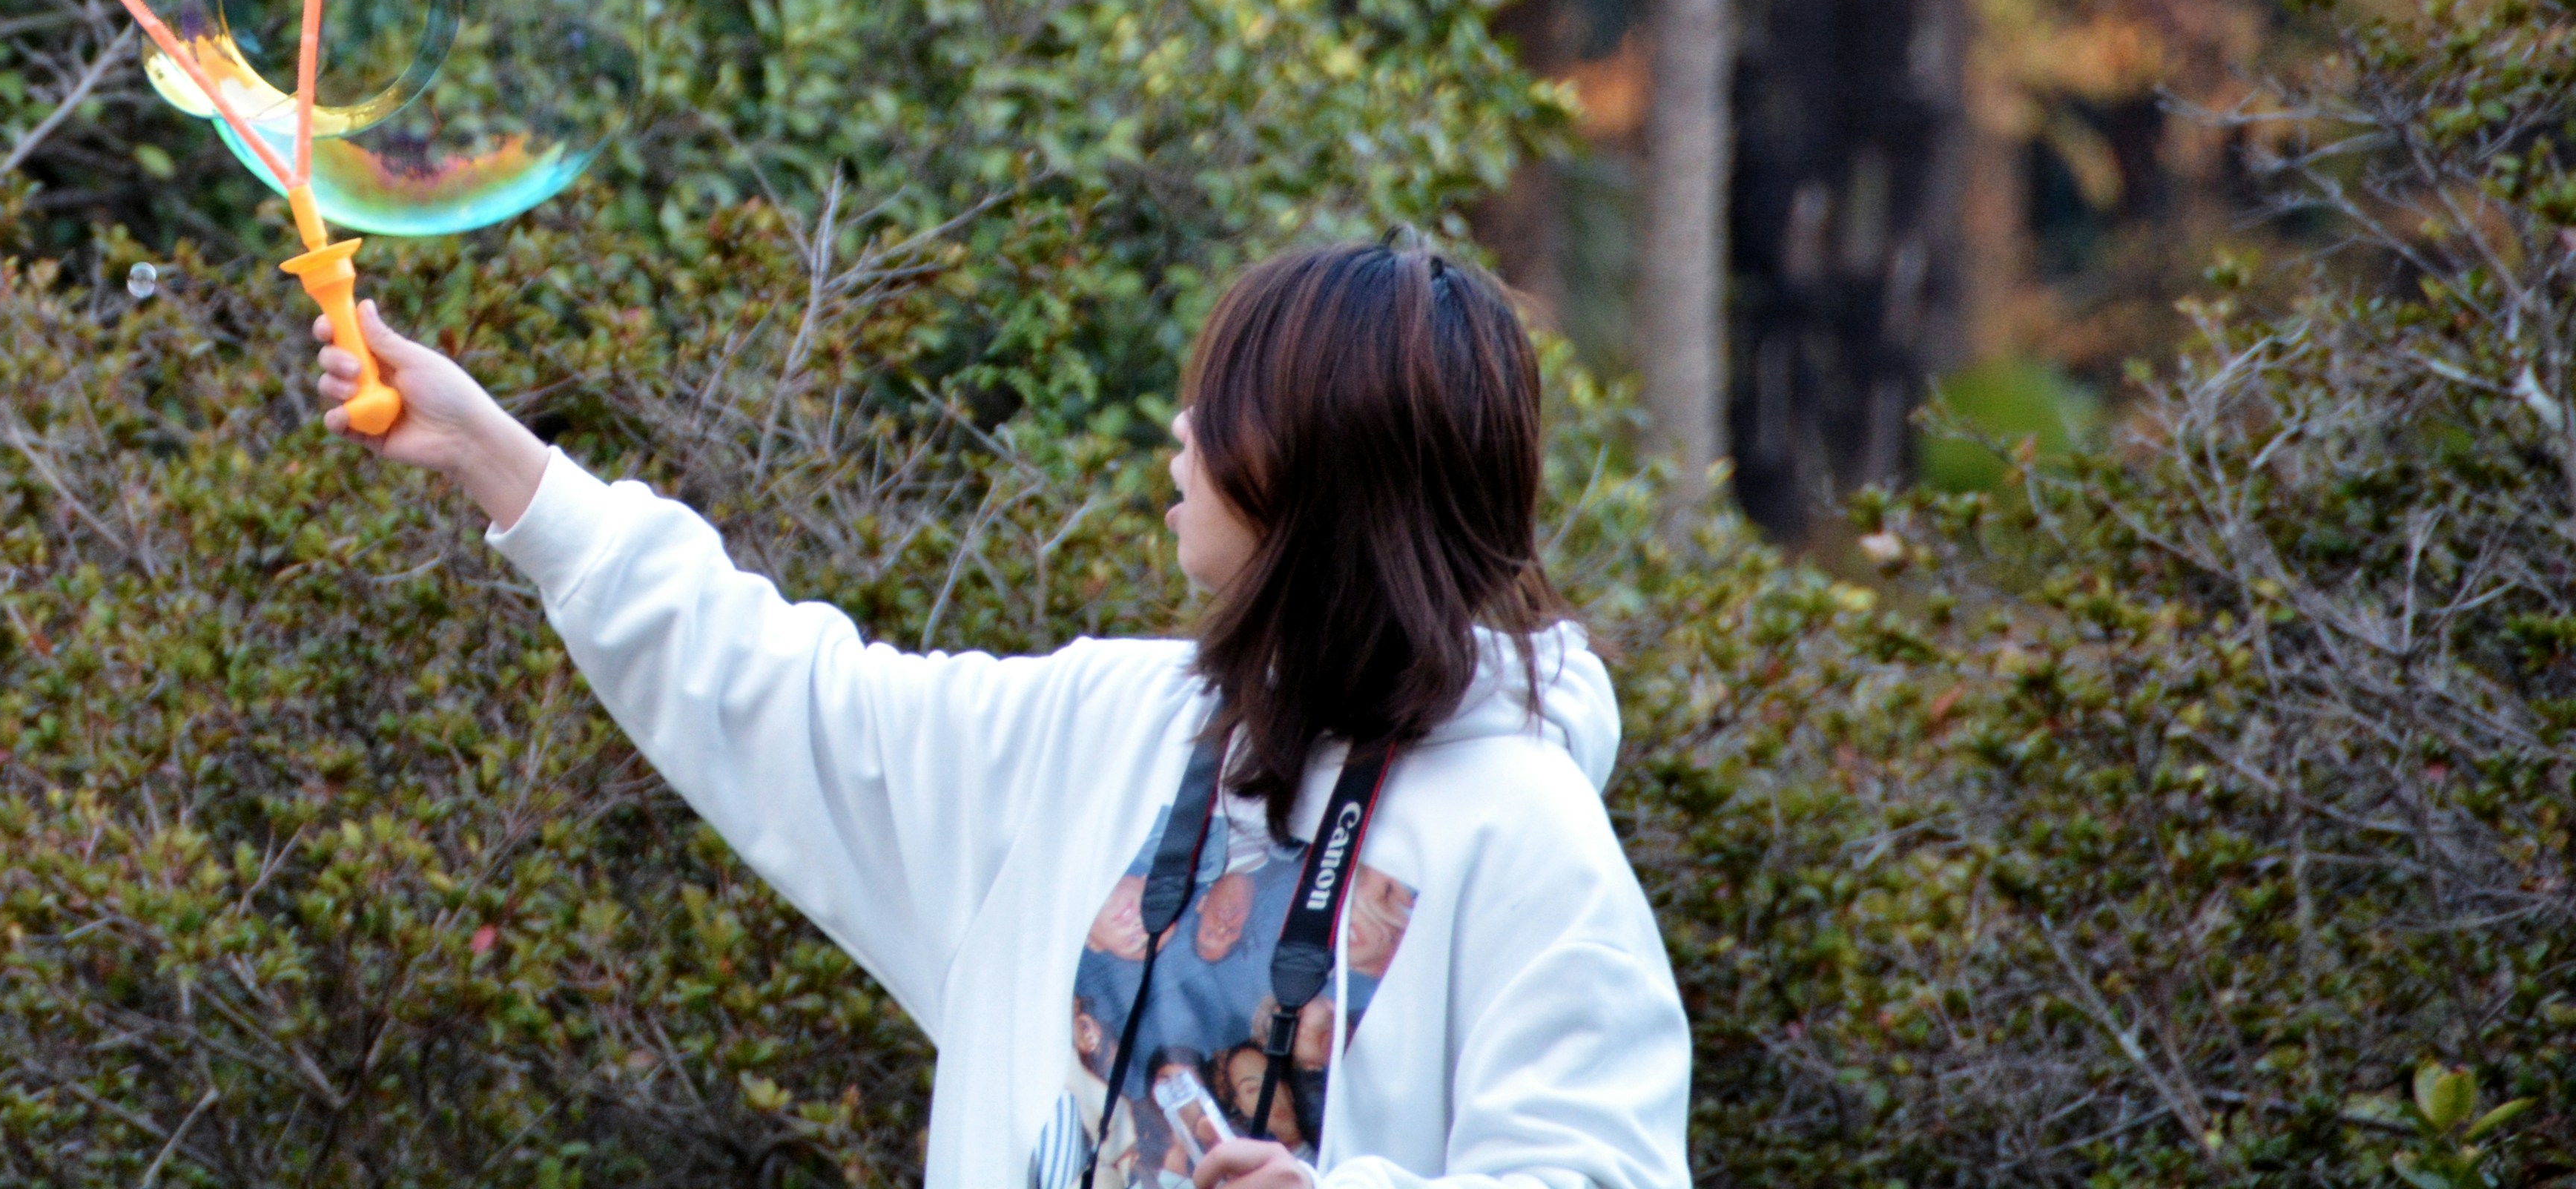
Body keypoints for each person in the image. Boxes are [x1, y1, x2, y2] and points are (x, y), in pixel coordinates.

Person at [318, 237, 1688, 1189]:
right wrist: (501, 463)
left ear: (1323, 468)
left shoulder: (1526, 832)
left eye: (1226, 402)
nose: (1183, 430)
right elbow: (789, 699)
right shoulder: (1106, 730)